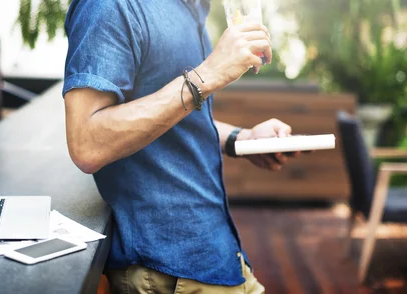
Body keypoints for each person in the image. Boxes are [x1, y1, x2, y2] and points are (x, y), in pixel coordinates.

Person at [62, 0, 302, 293]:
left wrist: (241, 138)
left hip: (216, 252)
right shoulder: (110, 6)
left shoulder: (192, 5)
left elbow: (171, 120)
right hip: (168, 271)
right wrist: (207, 75)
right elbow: (87, 143)